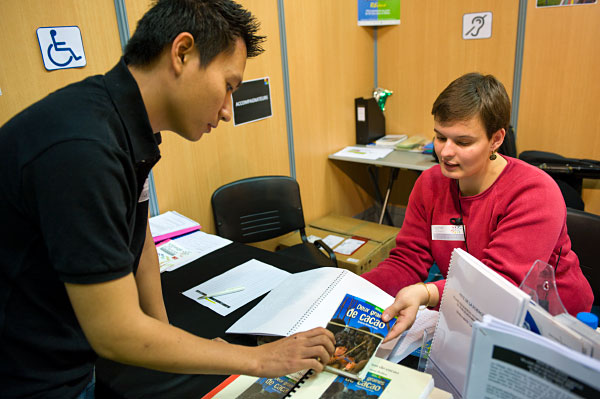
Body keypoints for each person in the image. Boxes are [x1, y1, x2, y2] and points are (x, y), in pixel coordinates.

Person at [0, 1, 334, 397]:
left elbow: (138, 237)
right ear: (182, 52)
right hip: (33, 374)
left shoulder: (126, 124)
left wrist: (162, 331)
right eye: (228, 86)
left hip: (71, 350)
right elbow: (117, 332)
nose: (228, 111)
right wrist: (261, 360)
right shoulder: (84, 149)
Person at [362, 72, 593, 340]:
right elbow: (407, 260)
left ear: (496, 139)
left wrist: (427, 293)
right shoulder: (430, 184)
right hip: (467, 306)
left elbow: (500, 285)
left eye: (463, 142)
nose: (446, 152)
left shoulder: (534, 192)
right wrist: (353, 289)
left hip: (550, 322)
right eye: (440, 137)